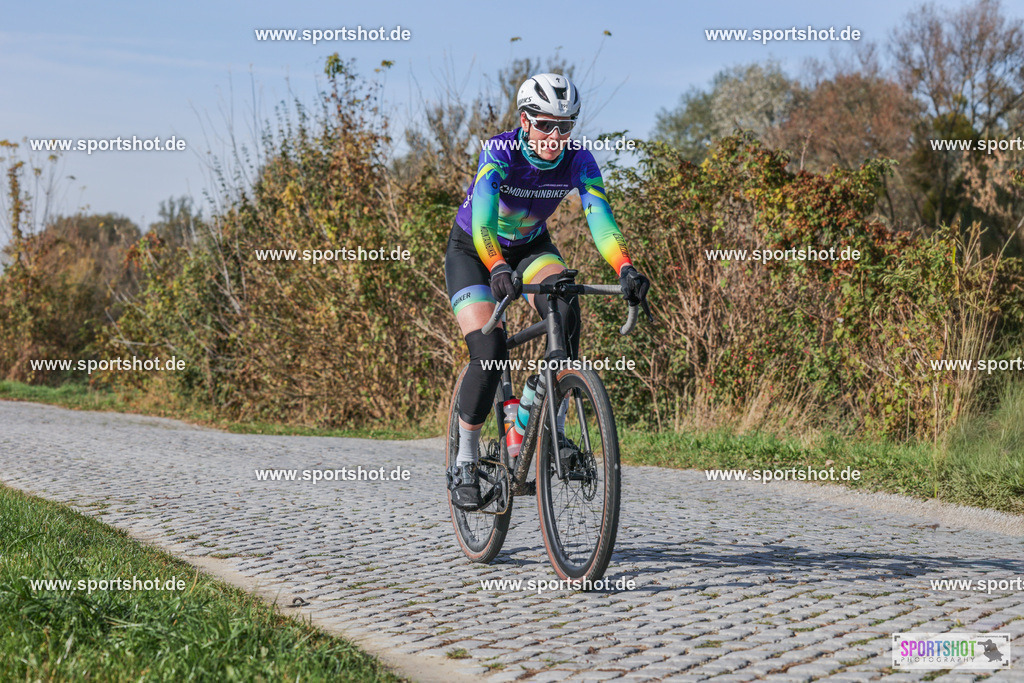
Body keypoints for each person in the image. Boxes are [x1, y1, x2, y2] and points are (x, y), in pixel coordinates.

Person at [444, 73, 650, 509]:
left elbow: (600, 218)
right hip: (476, 248)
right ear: (525, 120)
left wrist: (625, 267)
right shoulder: (500, 150)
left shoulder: (579, 160)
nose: (556, 136)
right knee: (490, 347)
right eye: (546, 125)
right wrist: (497, 264)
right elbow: (483, 216)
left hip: (530, 246)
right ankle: (465, 459)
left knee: (566, 306)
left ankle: (538, 421)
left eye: (566, 126)